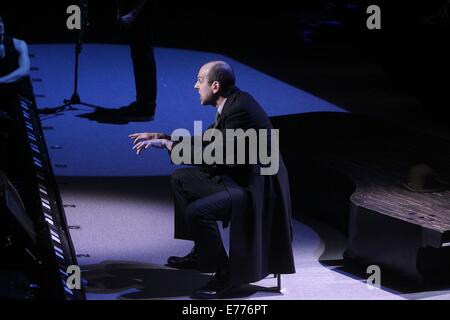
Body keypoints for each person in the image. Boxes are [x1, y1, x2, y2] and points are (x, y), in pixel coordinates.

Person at [129, 61, 295, 299]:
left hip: (256, 189)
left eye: (200, 80)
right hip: (241, 176)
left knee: (198, 212)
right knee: (181, 179)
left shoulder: (240, 110)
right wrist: (163, 136)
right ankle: (202, 251)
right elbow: (209, 142)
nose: (196, 86)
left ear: (215, 86)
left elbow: (217, 155)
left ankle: (226, 273)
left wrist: (169, 146)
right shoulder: (234, 102)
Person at [116, 0, 157, 121]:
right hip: (135, 13)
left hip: (141, 14)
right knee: (139, 58)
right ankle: (142, 102)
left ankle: (147, 107)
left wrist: (134, 13)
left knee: (144, 58)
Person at [0, 15, 31, 119]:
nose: (0, 25)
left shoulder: (19, 44)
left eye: (1, 21)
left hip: (15, 91)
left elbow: (24, 71)